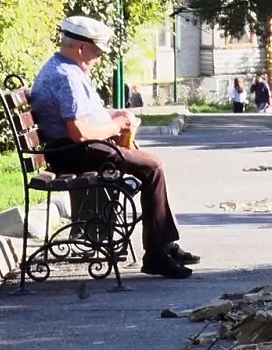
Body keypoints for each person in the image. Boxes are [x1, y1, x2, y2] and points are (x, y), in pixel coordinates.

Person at [30, 15, 199, 279]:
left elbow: (83, 120)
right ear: (81, 47)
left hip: (73, 148)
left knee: (148, 163)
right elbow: (79, 132)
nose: (99, 57)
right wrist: (117, 125)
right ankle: (156, 255)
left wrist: (114, 117)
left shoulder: (67, 69)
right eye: (97, 51)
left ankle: (163, 245)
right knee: (152, 166)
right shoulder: (66, 76)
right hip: (72, 153)